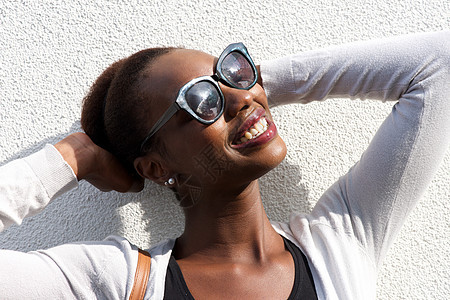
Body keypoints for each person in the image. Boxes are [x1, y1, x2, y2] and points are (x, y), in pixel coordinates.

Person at [0, 31, 448, 299]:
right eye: (200, 100)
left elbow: (437, 63)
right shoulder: (115, 282)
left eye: (230, 73)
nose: (238, 97)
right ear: (155, 168)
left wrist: (253, 88)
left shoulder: (342, 242)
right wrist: (71, 158)